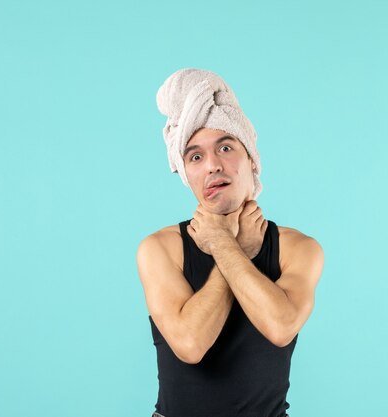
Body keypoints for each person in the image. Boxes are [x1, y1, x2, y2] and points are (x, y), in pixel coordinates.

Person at [137, 68, 324, 417]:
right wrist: (235, 248)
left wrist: (224, 245)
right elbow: (191, 344)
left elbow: (280, 326)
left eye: (225, 147)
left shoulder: (299, 248)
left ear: (251, 158)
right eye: (195, 156)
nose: (212, 166)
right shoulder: (160, 249)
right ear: (185, 173)